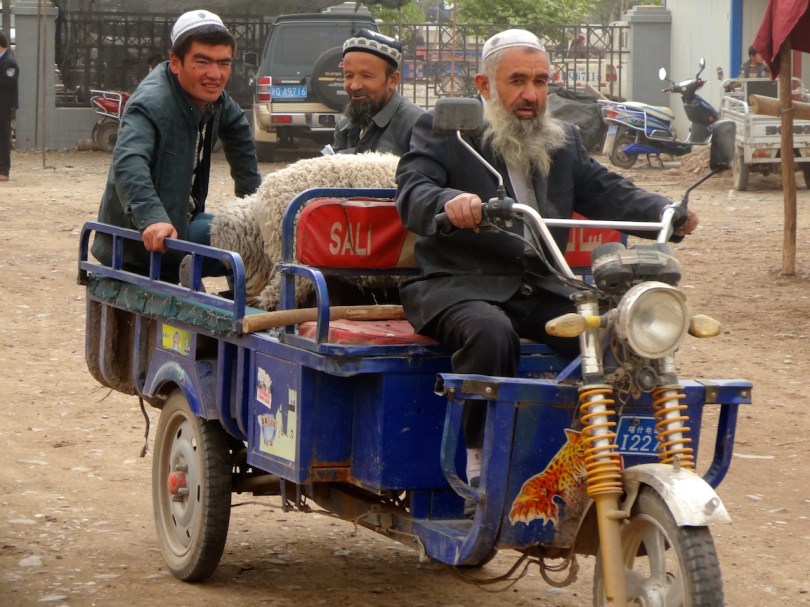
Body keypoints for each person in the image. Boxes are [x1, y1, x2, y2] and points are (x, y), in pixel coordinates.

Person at [395, 29, 698, 487]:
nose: (531, 95)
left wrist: (667, 212)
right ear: (484, 85)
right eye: (517, 81)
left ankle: (597, 446)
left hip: (542, 284)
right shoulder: (449, 131)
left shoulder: (563, 139)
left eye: (540, 82)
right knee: (490, 333)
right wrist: (450, 202)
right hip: (462, 284)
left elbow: (607, 191)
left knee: (621, 334)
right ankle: (479, 459)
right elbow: (413, 190)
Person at [91, 9, 261, 284]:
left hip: (182, 221)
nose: (215, 74)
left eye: (224, 63)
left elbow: (241, 140)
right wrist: (152, 218)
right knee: (244, 242)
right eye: (202, 62)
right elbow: (129, 160)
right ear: (175, 62)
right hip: (139, 241)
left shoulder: (217, 101)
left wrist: (256, 207)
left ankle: (243, 301)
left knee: (253, 233)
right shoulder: (151, 103)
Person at [332, 29, 424, 156]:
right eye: (349, 76)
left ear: (393, 80)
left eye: (366, 76)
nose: (354, 86)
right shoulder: (344, 126)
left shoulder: (417, 126)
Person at [0, 31, 19, 182]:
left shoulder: (10, 62)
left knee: (3, 138)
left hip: (3, 106)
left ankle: (3, 170)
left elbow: (8, 83)